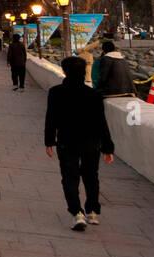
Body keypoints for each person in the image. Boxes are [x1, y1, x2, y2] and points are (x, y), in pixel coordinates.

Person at [45, 56, 115, 230]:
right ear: (85, 72)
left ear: (64, 71)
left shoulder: (56, 92)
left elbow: (51, 119)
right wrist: (108, 147)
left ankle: (77, 213)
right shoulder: (94, 95)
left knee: (70, 177)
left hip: (66, 142)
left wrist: (49, 141)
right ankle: (92, 211)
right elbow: (101, 122)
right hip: (91, 142)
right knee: (91, 176)